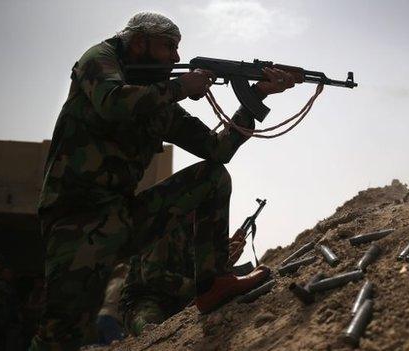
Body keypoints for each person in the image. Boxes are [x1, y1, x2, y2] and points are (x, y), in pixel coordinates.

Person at [31, 12, 298, 350]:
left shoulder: (159, 101)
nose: (176, 58)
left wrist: (258, 94)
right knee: (60, 335)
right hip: (75, 221)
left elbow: (217, 149)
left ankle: (213, 284)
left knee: (212, 177)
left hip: (122, 218)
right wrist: (179, 88)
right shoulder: (100, 58)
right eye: (169, 48)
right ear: (140, 42)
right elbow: (112, 103)